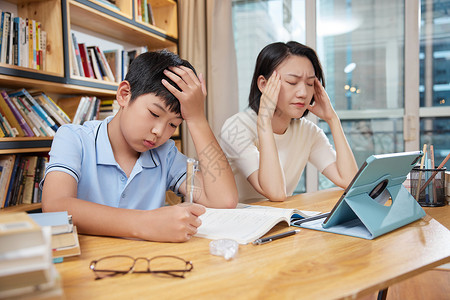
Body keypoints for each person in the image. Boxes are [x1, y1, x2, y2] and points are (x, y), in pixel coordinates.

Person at [41, 50, 238, 242]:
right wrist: (145, 223)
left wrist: (197, 119)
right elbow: (55, 206)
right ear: (124, 95)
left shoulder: (165, 153)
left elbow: (224, 199)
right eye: (154, 113)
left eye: (173, 124)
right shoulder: (74, 138)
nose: (159, 132)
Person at [219, 41, 358, 203]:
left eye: (310, 83)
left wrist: (333, 119)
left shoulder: (308, 132)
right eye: (292, 82)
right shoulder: (236, 127)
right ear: (264, 84)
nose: (303, 93)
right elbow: (276, 193)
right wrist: (264, 121)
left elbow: (349, 181)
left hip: (279, 221)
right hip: (238, 223)